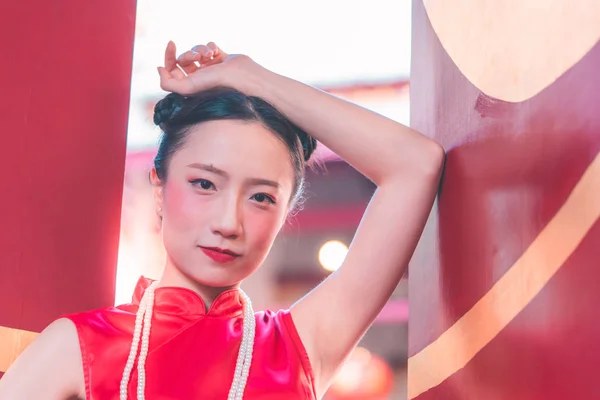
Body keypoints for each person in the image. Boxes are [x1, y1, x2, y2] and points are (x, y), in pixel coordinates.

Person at [0, 41, 444, 400]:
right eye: (205, 185)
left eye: (261, 197)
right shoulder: (79, 347)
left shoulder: (297, 347)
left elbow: (415, 163)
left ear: (286, 212)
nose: (229, 223)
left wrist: (251, 77)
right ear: (160, 186)